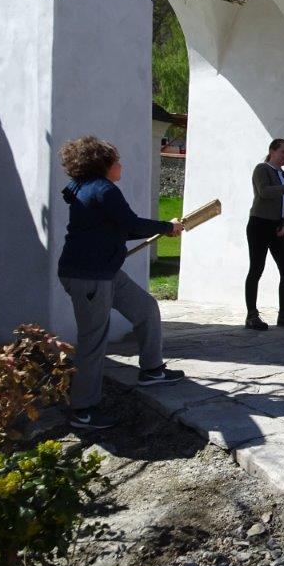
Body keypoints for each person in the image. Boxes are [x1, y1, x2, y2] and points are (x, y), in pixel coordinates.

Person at [57, 136, 186, 430]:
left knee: (146, 308)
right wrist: (168, 227)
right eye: (117, 161)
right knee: (93, 340)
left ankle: (152, 370)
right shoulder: (103, 190)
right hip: (90, 275)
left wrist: (164, 229)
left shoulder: (87, 188)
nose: (121, 166)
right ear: (103, 164)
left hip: (104, 272)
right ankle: (83, 410)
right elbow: (131, 224)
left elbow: (119, 229)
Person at [245, 139, 284, 330]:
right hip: (259, 224)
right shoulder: (262, 169)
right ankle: (252, 316)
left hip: (278, 227)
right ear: (272, 151)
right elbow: (264, 192)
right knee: (257, 269)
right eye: (283, 152)